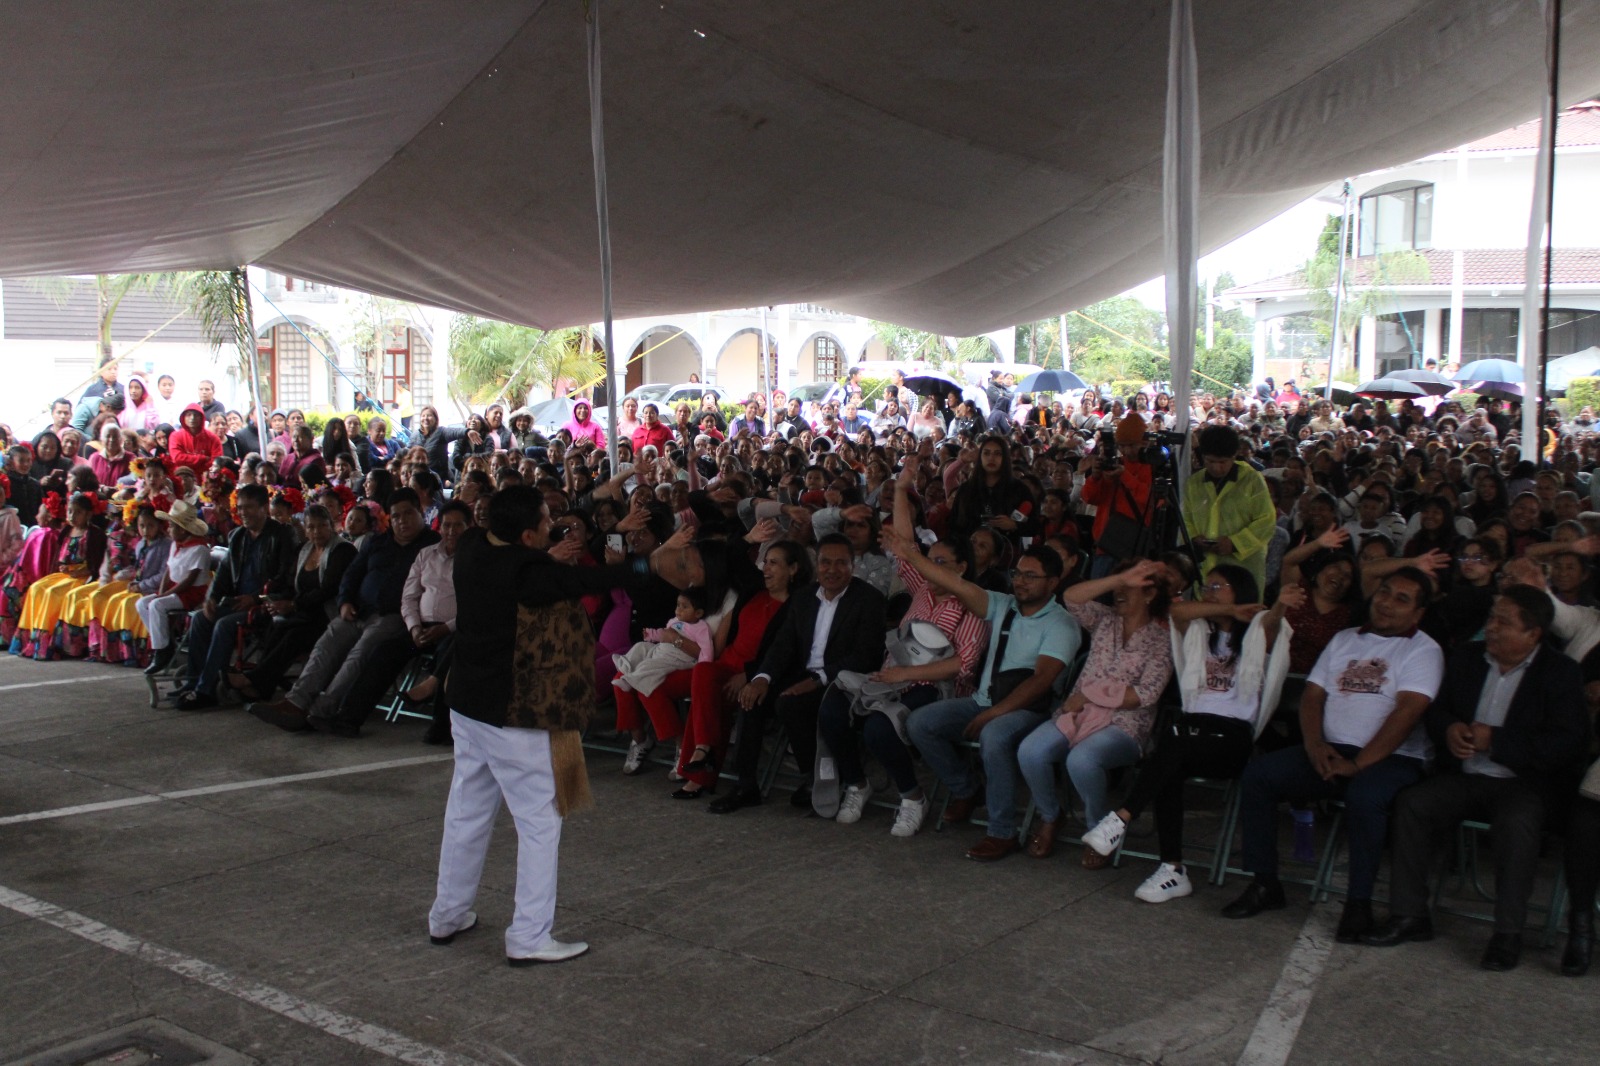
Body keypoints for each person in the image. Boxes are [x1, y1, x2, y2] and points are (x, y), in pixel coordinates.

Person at [426, 484, 703, 964]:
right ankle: (529, 936)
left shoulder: (472, 545)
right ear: (527, 536)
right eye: (545, 521)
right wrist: (652, 562)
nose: (552, 525)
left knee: (466, 811)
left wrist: (563, 545)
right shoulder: (529, 573)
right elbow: (588, 581)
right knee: (539, 821)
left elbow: (537, 558)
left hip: (467, 705)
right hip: (512, 715)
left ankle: (447, 914)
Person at [1362, 587, 1588, 970]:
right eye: (1492, 618)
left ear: (1533, 633)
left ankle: (1508, 933)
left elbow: (1566, 743)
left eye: (1503, 622)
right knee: (1414, 804)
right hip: (1465, 775)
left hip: (1523, 783)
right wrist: (1450, 729)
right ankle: (1409, 915)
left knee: (1517, 823)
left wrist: (1496, 741)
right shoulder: (1467, 657)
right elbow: (1437, 711)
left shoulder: (1560, 672)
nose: (1492, 627)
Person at [1223, 567, 1444, 943]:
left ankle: (1358, 904)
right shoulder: (1345, 639)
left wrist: (1359, 764)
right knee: (1260, 775)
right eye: (1384, 592)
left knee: (1365, 797)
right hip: (1330, 751)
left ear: (1418, 613)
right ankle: (1264, 883)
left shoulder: (1424, 649)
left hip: (1394, 759)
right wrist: (1314, 746)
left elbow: (1407, 713)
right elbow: (1313, 696)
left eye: (1401, 599)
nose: (1387, 603)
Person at [1082, 566, 1299, 901]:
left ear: (1240, 589)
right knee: (1169, 764)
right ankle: (1172, 869)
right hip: (1193, 732)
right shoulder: (1200, 629)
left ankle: (1121, 819)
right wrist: (1229, 608)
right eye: (1206, 586)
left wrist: (1279, 604)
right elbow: (1177, 611)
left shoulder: (1256, 631)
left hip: (1233, 737)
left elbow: (1272, 623)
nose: (1209, 592)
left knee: (1172, 746)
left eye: (1218, 586)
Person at [906, 542, 1080, 861]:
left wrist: (993, 714)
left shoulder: (1062, 624)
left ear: (1053, 582)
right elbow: (955, 583)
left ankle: (1002, 832)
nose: (1020, 581)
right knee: (920, 723)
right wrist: (909, 555)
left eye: (1031, 576)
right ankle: (967, 790)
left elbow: (1041, 681)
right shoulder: (1003, 604)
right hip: (983, 700)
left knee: (994, 735)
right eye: (1017, 573)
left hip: (1031, 710)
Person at [1017, 558, 1173, 868]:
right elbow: (1071, 597)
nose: (1119, 593)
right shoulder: (1104, 619)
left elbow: (1145, 694)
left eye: (1129, 588)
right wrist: (1120, 578)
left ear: (1150, 594)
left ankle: (1100, 830)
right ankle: (1051, 816)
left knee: (1082, 760)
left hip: (1125, 724)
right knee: (1030, 751)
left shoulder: (1163, 637)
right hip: (1078, 715)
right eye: (1118, 586)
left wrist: (1089, 694)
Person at [247, 489, 439, 735]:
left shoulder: (432, 545)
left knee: (360, 653)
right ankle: (295, 703)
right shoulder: (378, 542)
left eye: (408, 514)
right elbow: (352, 574)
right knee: (326, 644)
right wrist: (345, 601)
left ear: (420, 512)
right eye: (396, 516)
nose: (402, 521)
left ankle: (323, 709)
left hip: (396, 616)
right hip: (358, 611)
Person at [734, 534, 887, 809]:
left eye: (841, 563)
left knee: (790, 704)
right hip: (802, 673)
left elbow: (865, 656)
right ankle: (745, 786)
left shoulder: (869, 599)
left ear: (853, 566)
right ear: (817, 564)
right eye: (826, 562)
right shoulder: (804, 597)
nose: (832, 570)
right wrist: (761, 678)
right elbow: (783, 644)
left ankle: (815, 778)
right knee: (751, 697)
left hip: (841, 680)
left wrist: (818, 679)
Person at [163, 483, 297, 710]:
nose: (243, 512)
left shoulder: (282, 535)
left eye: (249, 507)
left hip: (265, 605)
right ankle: (192, 683)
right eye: (240, 507)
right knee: (200, 619)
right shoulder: (238, 536)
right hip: (237, 603)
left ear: (264, 508)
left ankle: (205, 690)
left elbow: (284, 578)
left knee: (224, 625)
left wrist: (255, 598)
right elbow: (223, 574)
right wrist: (211, 598)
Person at [222, 504, 358, 703]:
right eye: (311, 527)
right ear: (305, 529)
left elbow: (328, 590)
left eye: (322, 525)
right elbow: (290, 583)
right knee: (276, 627)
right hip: (304, 611)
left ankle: (254, 681)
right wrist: (275, 600)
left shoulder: (342, 550)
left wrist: (293, 605)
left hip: (328, 614)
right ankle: (262, 686)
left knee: (295, 635)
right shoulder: (305, 549)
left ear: (331, 526)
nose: (317, 531)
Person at [1183, 424, 1278, 590]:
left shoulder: (1252, 481)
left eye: (1222, 462)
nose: (1216, 468)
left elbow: (1266, 521)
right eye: (1210, 461)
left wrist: (1235, 543)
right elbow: (1186, 518)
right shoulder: (1194, 483)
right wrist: (1194, 538)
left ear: (1234, 456)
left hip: (1243, 572)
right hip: (1205, 570)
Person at [132, 500, 213, 673]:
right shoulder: (176, 544)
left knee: (156, 605)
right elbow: (168, 571)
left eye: (171, 526)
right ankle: (165, 642)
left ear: (182, 529)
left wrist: (165, 595)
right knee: (142, 603)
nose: (168, 530)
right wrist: (162, 592)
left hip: (191, 593)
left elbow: (189, 581)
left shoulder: (199, 549)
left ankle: (161, 651)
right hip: (174, 590)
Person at [169, 403, 222, 474]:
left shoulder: (213, 438)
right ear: (183, 417)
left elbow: (216, 462)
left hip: (205, 476)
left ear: (202, 418)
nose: (192, 418)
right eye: (189, 415)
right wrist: (202, 458)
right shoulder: (175, 436)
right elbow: (177, 458)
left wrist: (200, 470)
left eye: (196, 415)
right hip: (182, 476)